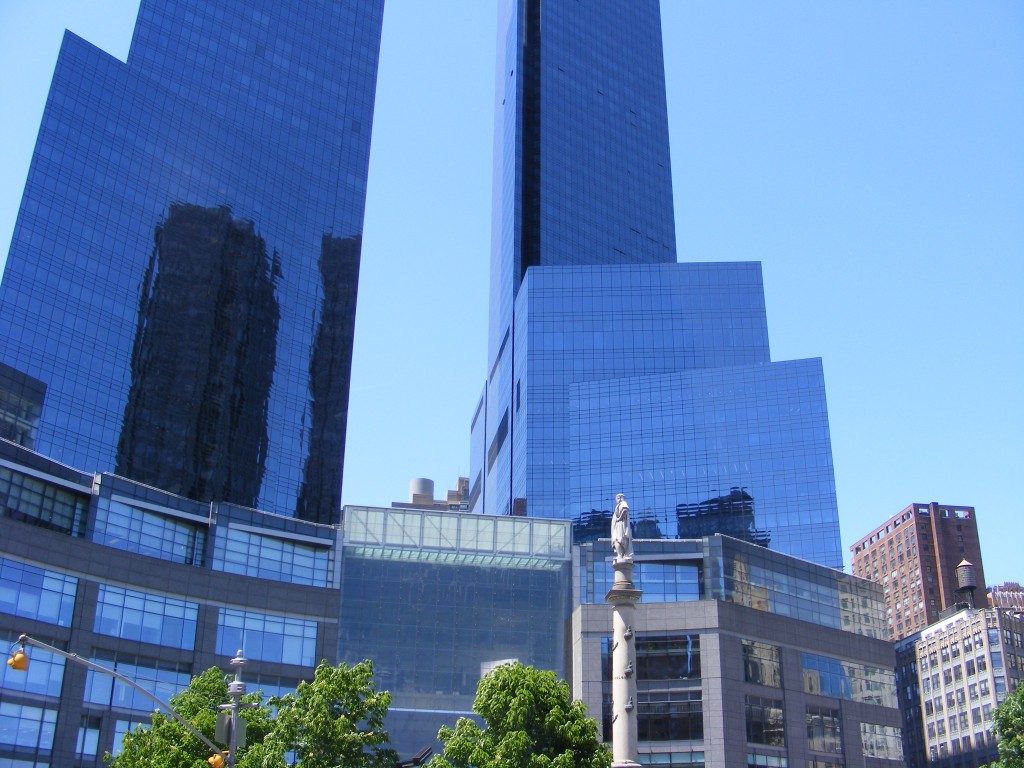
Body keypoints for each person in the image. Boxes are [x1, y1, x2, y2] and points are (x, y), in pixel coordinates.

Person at [611, 493, 633, 561]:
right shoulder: (618, 505)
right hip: (617, 525)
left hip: (621, 524)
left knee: (621, 539)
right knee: (615, 540)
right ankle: (619, 555)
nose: (617, 500)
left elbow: (625, 510)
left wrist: (619, 518)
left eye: (617, 498)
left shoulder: (623, 503)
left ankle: (624, 554)